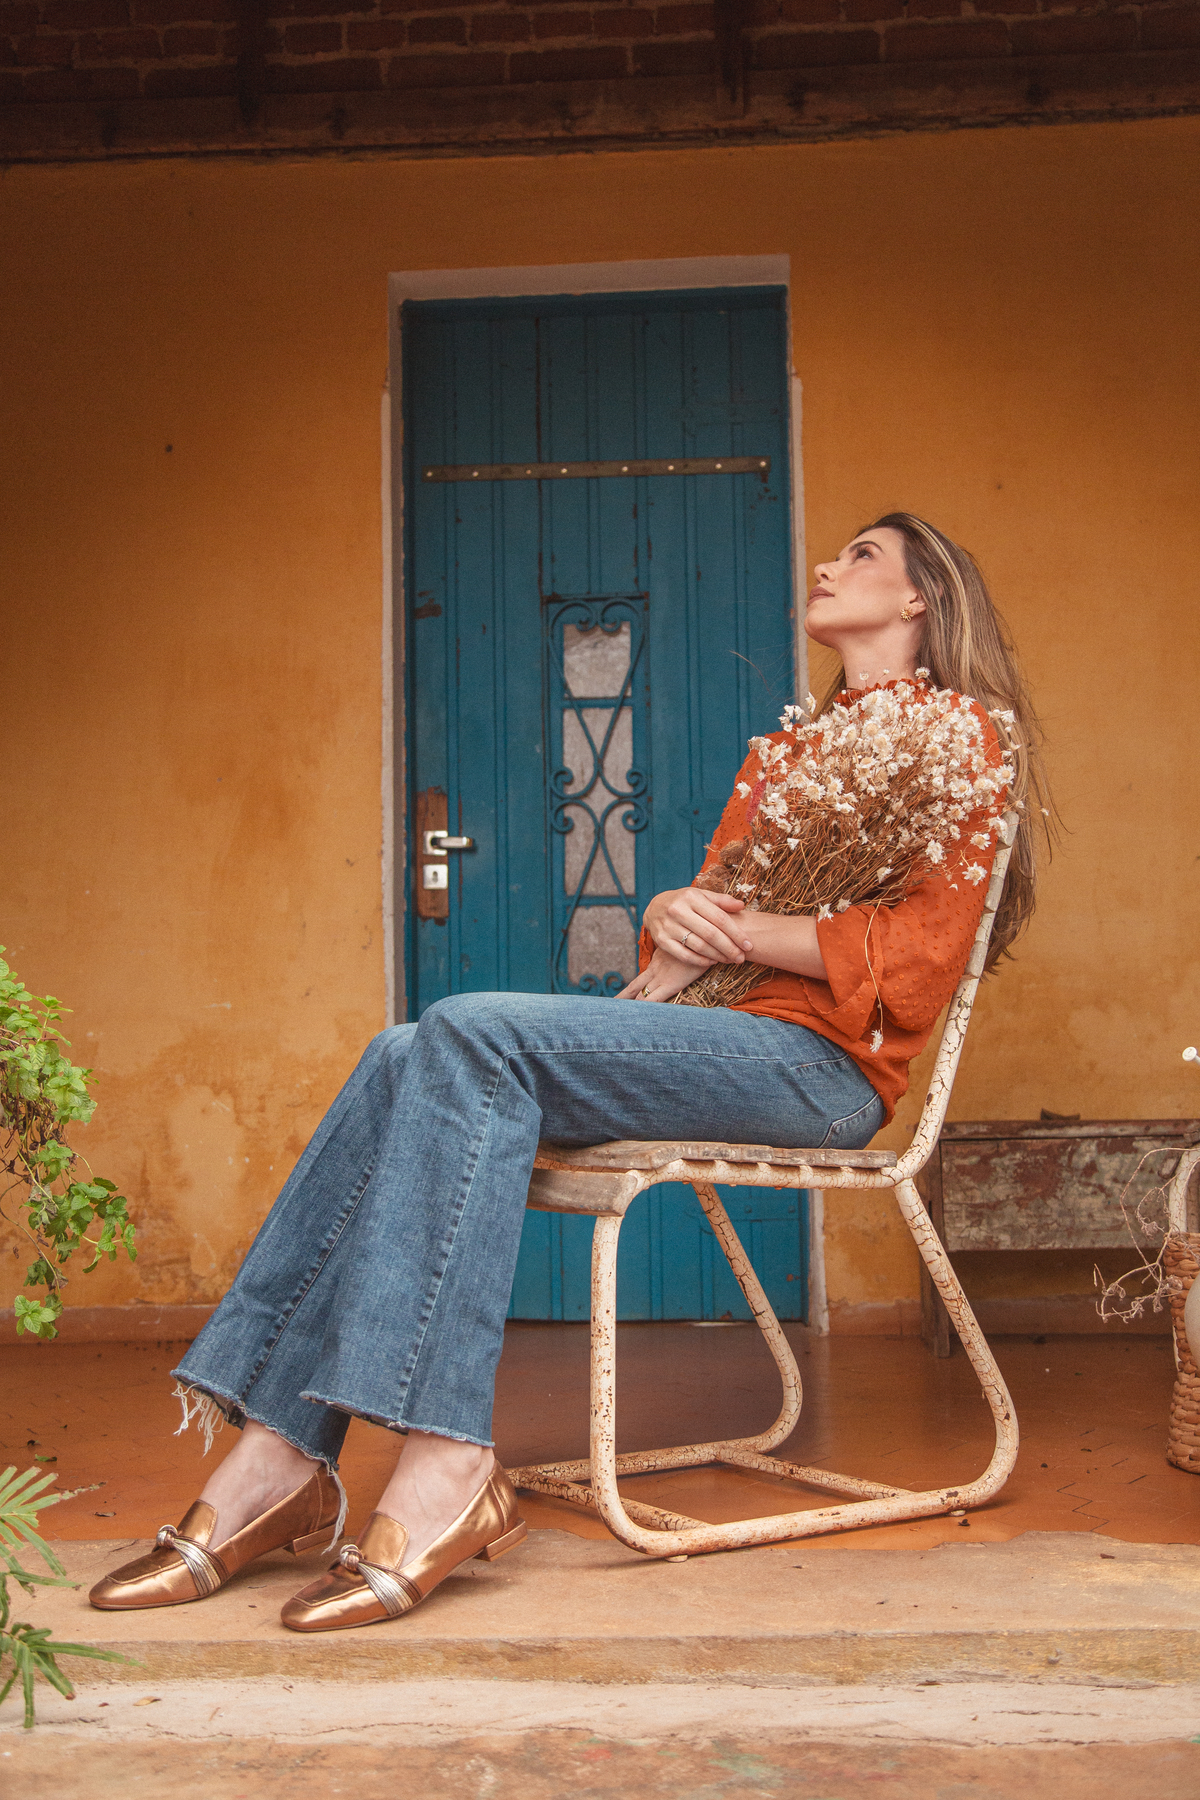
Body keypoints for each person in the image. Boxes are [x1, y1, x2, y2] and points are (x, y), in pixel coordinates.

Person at [90, 511, 1050, 1631]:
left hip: (820, 1071)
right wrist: (667, 910)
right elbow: (700, 931)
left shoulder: (965, 740)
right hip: (726, 1036)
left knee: (466, 1027)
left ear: (922, 599)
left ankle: (437, 1463)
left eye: (863, 558)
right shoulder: (785, 755)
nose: (831, 567)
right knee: (406, 1049)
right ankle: (281, 1451)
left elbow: (912, 971)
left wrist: (737, 934)